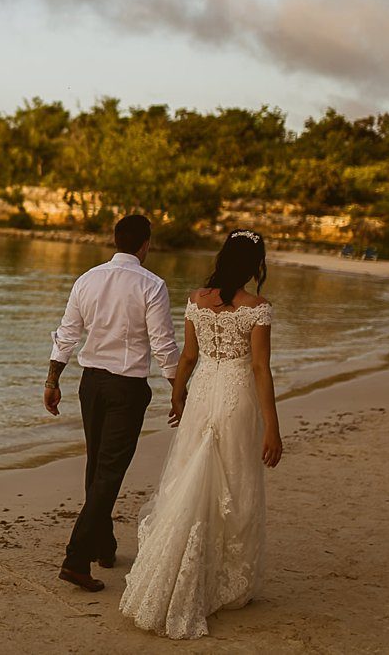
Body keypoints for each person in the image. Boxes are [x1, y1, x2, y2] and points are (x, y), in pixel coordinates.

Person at [119, 228, 283, 639]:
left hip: (203, 393)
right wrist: (273, 428)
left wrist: (177, 397)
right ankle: (224, 579)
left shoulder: (195, 300)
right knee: (233, 480)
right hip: (235, 396)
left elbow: (188, 356)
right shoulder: (257, 308)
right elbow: (260, 369)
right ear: (254, 266)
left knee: (192, 475)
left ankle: (179, 566)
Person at [44, 214, 180, 592]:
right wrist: (178, 389)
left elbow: (67, 334)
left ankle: (104, 546)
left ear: (114, 239)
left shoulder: (87, 279)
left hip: (91, 385)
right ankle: (75, 559)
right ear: (145, 243)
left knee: (97, 466)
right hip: (126, 389)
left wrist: (52, 381)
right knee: (108, 473)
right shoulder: (152, 285)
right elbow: (164, 344)